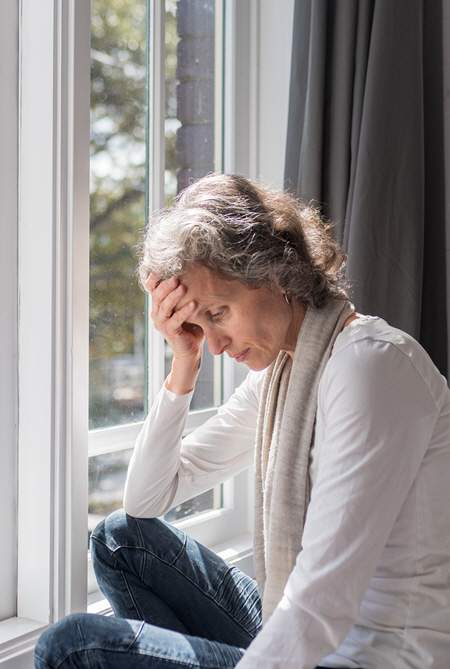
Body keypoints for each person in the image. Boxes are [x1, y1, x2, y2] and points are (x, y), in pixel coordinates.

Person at [34, 174, 450, 669]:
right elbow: (146, 499)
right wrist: (182, 363)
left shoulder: (369, 367)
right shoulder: (287, 371)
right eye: (199, 324)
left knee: (71, 646)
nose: (215, 344)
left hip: (369, 653)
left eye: (218, 312)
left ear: (273, 275)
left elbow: (322, 601)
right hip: (306, 623)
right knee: (121, 538)